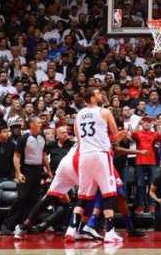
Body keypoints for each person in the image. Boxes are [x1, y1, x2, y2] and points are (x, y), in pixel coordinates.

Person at [67, 89, 123, 244]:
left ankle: (71, 229)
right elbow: (115, 135)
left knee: (83, 196)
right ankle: (110, 233)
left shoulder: (78, 115)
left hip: (84, 156)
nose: (101, 95)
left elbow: (79, 139)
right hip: (100, 155)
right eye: (98, 93)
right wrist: (123, 135)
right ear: (92, 98)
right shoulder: (104, 112)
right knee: (109, 194)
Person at [5, 117, 49, 233]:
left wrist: (49, 171)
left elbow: (44, 156)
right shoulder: (23, 138)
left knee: (34, 199)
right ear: (31, 125)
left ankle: (27, 225)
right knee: (21, 198)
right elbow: (16, 156)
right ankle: (8, 225)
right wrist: (18, 173)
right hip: (26, 170)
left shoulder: (42, 137)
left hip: (38, 170)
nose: (41, 124)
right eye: (39, 122)